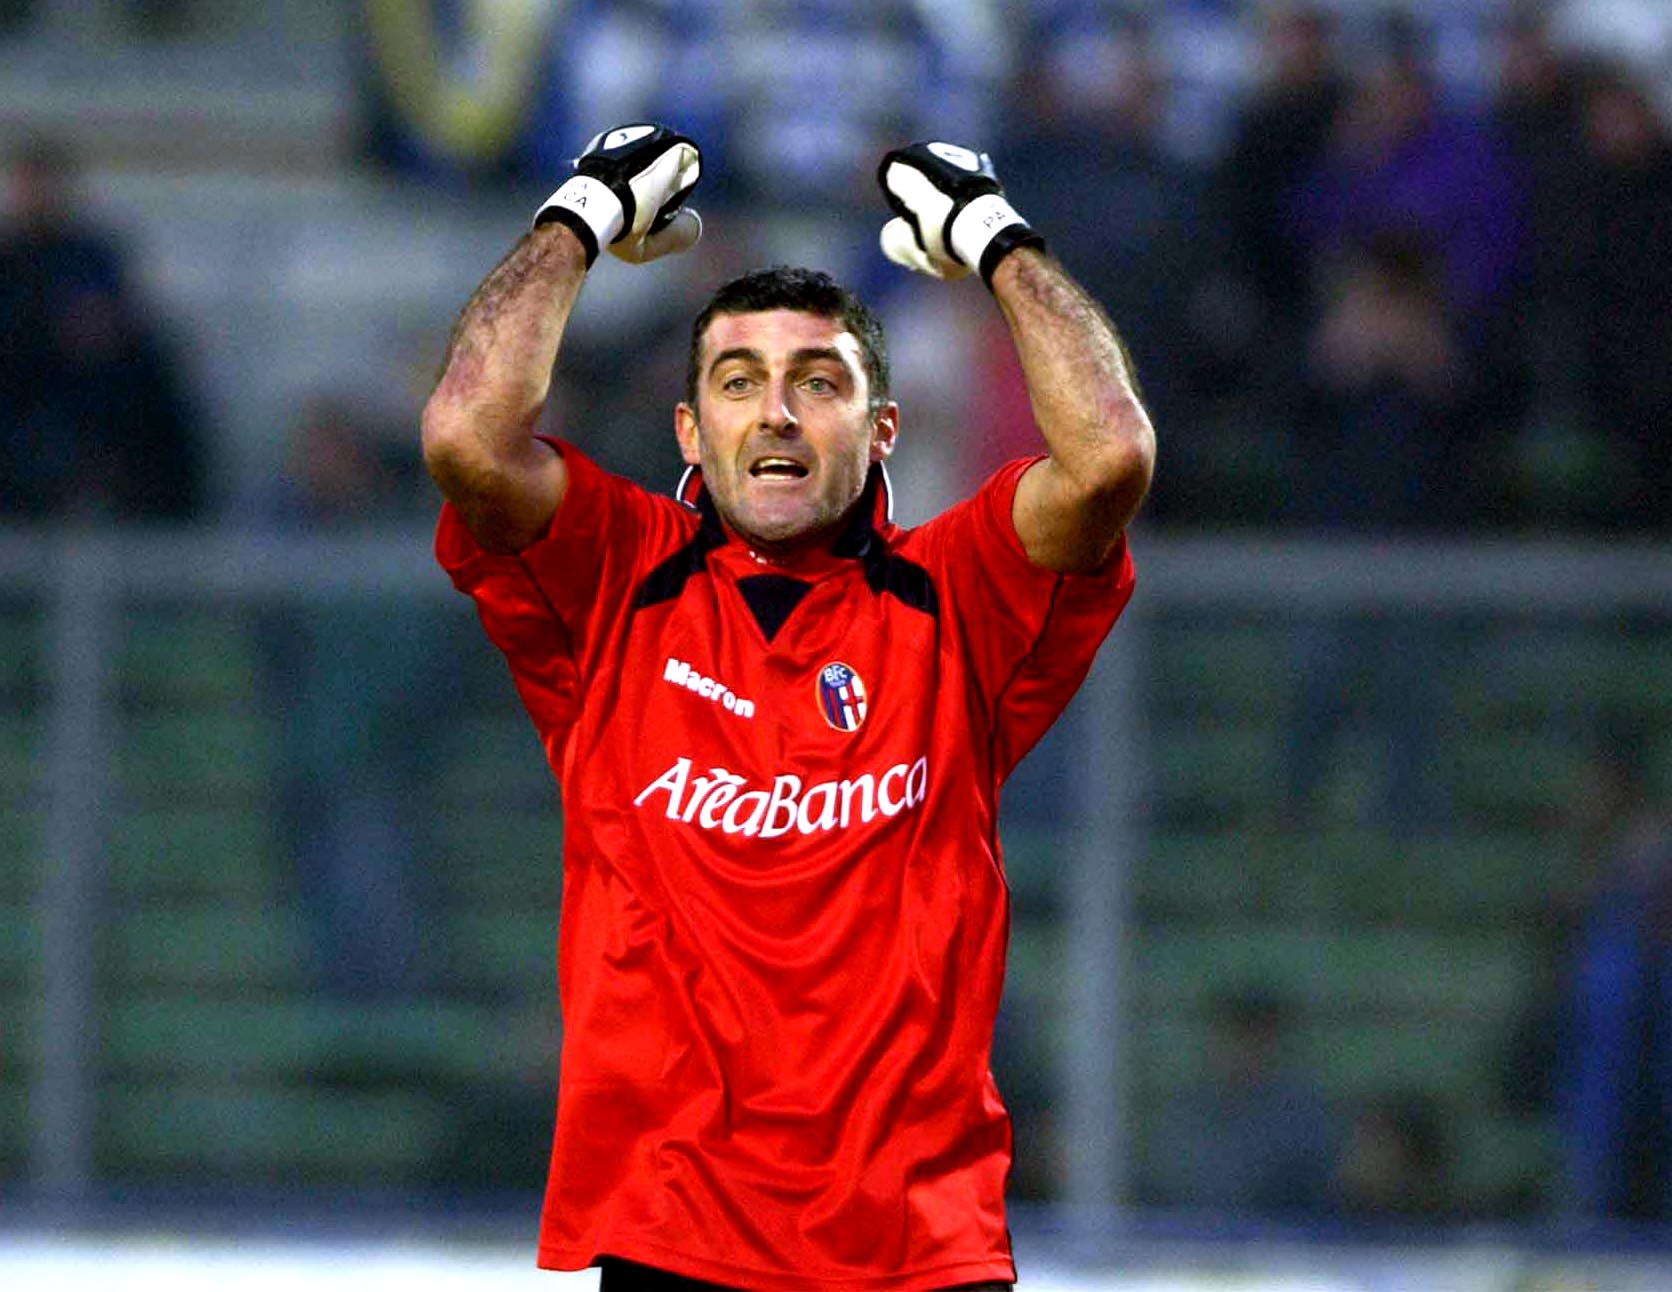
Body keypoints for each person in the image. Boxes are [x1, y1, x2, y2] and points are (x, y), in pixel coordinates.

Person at [421, 124, 1154, 1290]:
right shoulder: (614, 579)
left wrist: (999, 241)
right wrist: (578, 218)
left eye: (819, 383)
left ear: (881, 431)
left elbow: (1110, 457)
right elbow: (465, 434)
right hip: (673, 1240)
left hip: (917, 1250)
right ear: (690, 430)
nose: (775, 413)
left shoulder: (955, 598)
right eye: (737, 382)